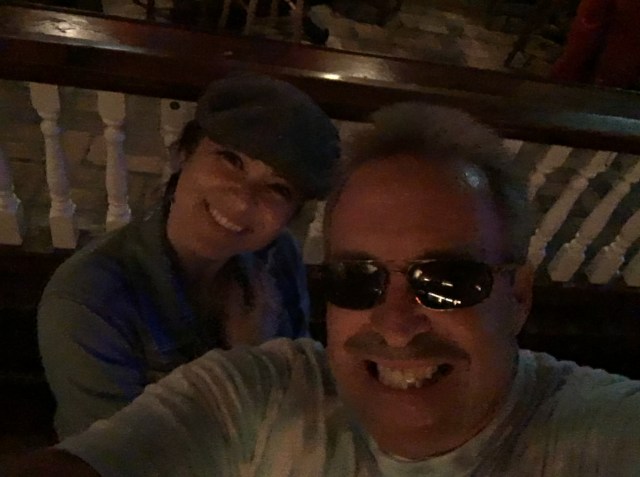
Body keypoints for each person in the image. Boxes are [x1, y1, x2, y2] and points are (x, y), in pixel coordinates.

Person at [6, 102, 640, 476]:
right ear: (183, 156)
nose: (395, 324)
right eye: (357, 279)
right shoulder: (93, 303)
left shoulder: (597, 432)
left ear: (519, 297)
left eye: (447, 282)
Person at [36, 73, 340, 439]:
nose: (242, 201)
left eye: (278, 188)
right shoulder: (87, 304)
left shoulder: (278, 257)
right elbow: (121, 459)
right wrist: (250, 361)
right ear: (184, 154)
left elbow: (306, 400)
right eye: (231, 160)